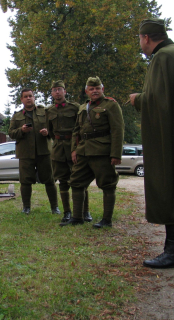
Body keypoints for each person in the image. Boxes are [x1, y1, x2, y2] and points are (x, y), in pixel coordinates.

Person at [129, 18, 174, 268]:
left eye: (140, 39)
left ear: (147, 38)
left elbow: (159, 100)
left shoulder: (163, 58)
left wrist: (138, 99)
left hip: (170, 139)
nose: (140, 43)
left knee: (169, 187)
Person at [61, 77, 124, 228]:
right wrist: (74, 150)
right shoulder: (84, 107)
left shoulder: (111, 105)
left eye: (97, 88)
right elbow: (76, 130)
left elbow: (117, 130)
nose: (95, 91)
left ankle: (106, 220)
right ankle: (77, 217)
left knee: (107, 184)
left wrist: (116, 154)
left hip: (102, 151)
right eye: (91, 88)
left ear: (102, 89)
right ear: (86, 91)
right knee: (76, 182)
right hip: (83, 151)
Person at [9, 88, 60, 215]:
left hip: (44, 152)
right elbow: (11, 133)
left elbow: (54, 129)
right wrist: (21, 130)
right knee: (25, 181)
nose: (28, 98)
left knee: (49, 180)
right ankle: (26, 207)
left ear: (34, 97)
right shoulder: (17, 115)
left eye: (30, 96)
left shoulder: (45, 112)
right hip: (26, 153)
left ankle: (55, 207)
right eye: (25, 96)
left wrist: (48, 133)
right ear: (21, 99)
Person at [47, 80, 92, 223]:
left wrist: (77, 147)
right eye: (54, 90)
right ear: (52, 93)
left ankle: (85, 211)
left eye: (60, 89)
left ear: (65, 91)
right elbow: (50, 132)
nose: (57, 92)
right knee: (63, 181)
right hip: (58, 150)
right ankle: (67, 212)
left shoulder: (75, 108)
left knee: (80, 180)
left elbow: (81, 128)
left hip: (74, 148)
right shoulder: (49, 110)